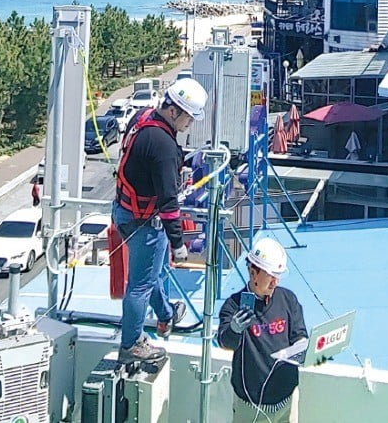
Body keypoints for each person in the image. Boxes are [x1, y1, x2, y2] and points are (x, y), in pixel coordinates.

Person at [113, 78, 208, 363]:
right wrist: (178, 244)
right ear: (175, 111)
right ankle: (132, 344)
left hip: (123, 212)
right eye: (189, 118)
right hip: (145, 223)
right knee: (139, 286)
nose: (189, 124)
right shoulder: (163, 146)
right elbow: (168, 203)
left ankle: (165, 314)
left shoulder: (142, 119)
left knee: (147, 273)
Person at [218, 238, 307, 423]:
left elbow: (299, 334)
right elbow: (225, 342)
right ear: (253, 273)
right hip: (251, 404)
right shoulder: (233, 306)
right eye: (271, 276)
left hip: (286, 398)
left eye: (278, 275)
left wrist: (304, 349)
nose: (275, 282)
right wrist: (235, 329)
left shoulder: (288, 299)